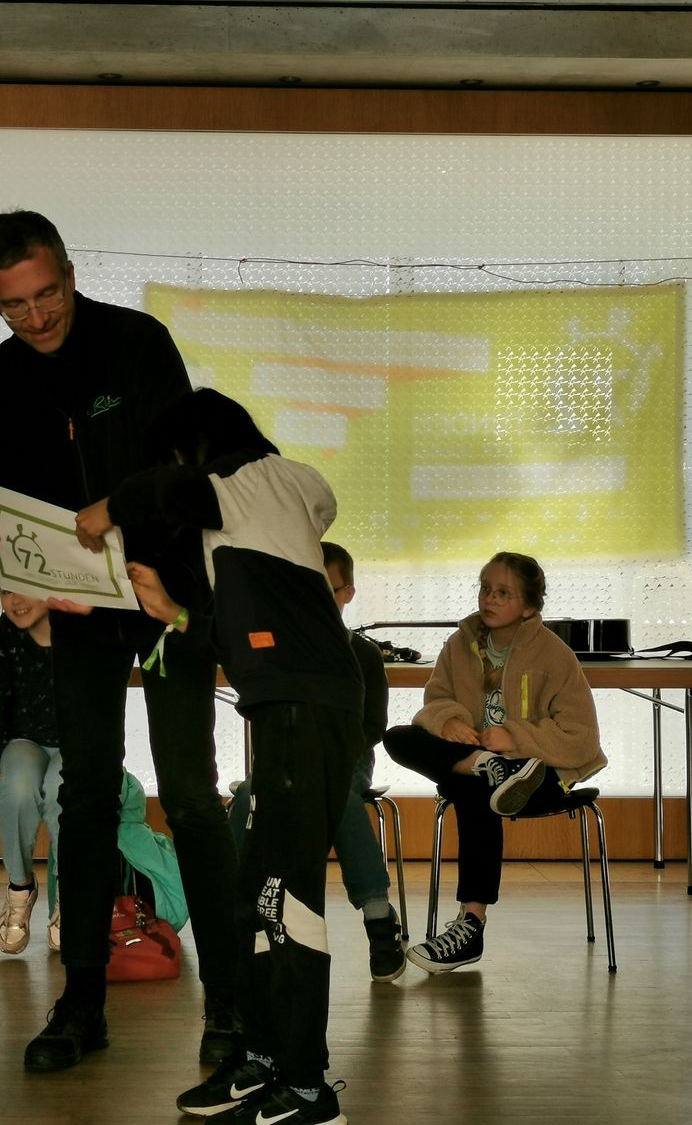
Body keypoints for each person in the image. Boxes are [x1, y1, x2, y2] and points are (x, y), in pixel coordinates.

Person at [0, 210, 238, 1070]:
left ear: (71, 274)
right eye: (14, 306)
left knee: (190, 795)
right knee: (82, 795)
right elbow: (9, 508)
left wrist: (121, 518)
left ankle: (230, 1005)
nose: (36, 317)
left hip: (165, 593)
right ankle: (81, 1002)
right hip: (78, 610)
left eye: (47, 295)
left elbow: (187, 470)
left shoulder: (137, 344)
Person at [74, 388, 364, 1125]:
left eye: (180, 456)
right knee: (255, 890)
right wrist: (172, 613)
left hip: (305, 707)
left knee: (284, 898)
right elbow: (234, 628)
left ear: (196, 449)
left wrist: (103, 513)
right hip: (290, 705)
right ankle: (262, 1057)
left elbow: (162, 490)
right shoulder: (277, 499)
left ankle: (308, 1087)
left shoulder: (246, 480)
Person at [383, 551, 606, 974]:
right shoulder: (458, 645)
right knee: (398, 737)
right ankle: (482, 764)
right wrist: (449, 721)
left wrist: (515, 738)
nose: (489, 599)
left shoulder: (555, 655)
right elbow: (436, 700)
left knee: (476, 792)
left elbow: (582, 738)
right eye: (485, 588)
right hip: (476, 764)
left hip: (541, 777)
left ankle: (472, 924)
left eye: (503, 593)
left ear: (529, 607)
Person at [228, 541, 403, 982]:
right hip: (282, 758)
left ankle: (379, 918)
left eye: (326, 590)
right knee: (247, 795)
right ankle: (231, 913)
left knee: (338, 798)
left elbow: (372, 727)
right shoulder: (274, 647)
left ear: (347, 594)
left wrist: (322, 753)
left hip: (345, 760)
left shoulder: (364, 654)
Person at [0, 586, 61, 954]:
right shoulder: (6, 629)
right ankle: (20, 887)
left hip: (75, 744)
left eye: (25, 589)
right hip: (24, 741)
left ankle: (69, 895)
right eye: (5, 590)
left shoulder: (78, 624)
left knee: (63, 793)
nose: (15, 600)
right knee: (17, 788)